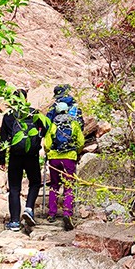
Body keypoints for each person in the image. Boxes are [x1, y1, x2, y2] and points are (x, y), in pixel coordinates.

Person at [0, 89, 49, 233]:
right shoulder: (34, 113)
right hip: (31, 155)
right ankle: (29, 208)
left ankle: (14, 222)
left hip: (15, 156)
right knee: (35, 182)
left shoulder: (8, 116)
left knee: (14, 188)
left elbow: (3, 139)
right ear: (25, 99)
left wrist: (1, 159)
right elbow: (45, 130)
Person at [43, 97, 85, 231]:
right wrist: (76, 152)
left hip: (54, 159)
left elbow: (47, 144)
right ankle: (67, 212)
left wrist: (49, 153)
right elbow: (81, 142)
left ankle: (52, 213)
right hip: (69, 159)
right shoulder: (74, 124)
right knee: (69, 186)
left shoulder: (53, 124)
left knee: (54, 185)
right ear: (67, 110)